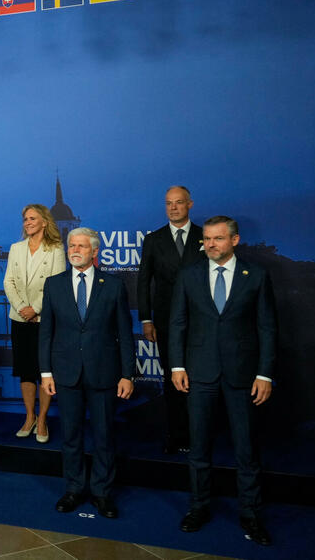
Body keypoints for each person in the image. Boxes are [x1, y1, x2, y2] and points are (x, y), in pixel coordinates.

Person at [170, 216, 276, 546]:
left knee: (246, 450)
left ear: (235, 240)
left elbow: (267, 327)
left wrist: (264, 373)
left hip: (242, 375)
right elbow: (177, 323)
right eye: (207, 238)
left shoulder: (255, 275)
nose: (211, 244)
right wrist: (177, 366)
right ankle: (198, 508)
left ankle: (251, 515)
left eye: (218, 238)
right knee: (199, 448)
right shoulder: (189, 275)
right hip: (199, 373)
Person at [40, 227, 136, 519]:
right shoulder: (54, 284)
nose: (75, 250)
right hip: (66, 373)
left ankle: (102, 493)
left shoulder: (113, 285)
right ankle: (74, 489)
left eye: (81, 246)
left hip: (104, 372)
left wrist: (127, 374)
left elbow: (125, 332)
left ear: (95, 251)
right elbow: (46, 333)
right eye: (72, 245)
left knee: (104, 435)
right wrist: (45, 372)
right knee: (70, 435)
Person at [137, 186, 204, 454]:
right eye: (168, 203)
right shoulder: (154, 239)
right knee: (172, 378)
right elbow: (144, 281)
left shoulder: (205, 236)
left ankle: (201, 434)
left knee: (201, 378)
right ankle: (178, 435)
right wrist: (146, 319)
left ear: (190, 204)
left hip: (201, 321)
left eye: (178, 202)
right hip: (165, 321)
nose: (173, 208)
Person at [3, 204, 66, 443]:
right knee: (25, 370)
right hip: (19, 318)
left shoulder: (56, 249)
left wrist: (35, 308)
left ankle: (42, 420)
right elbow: (8, 281)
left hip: (44, 318)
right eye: (25, 219)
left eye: (32, 218)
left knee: (44, 370)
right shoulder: (16, 248)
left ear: (44, 222)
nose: (27, 222)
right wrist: (22, 307)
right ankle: (29, 417)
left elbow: (57, 284)